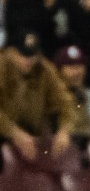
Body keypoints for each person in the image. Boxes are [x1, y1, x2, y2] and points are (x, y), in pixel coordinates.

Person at [0, 30, 75, 161]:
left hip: (32, 135)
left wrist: (64, 130)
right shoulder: (2, 67)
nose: (28, 60)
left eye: (32, 54)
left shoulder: (44, 69)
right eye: (22, 54)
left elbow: (65, 102)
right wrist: (14, 132)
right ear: (10, 52)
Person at [53, 44, 90, 144]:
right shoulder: (51, 97)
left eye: (79, 66)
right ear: (59, 70)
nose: (76, 72)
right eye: (70, 66)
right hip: (60, 154)